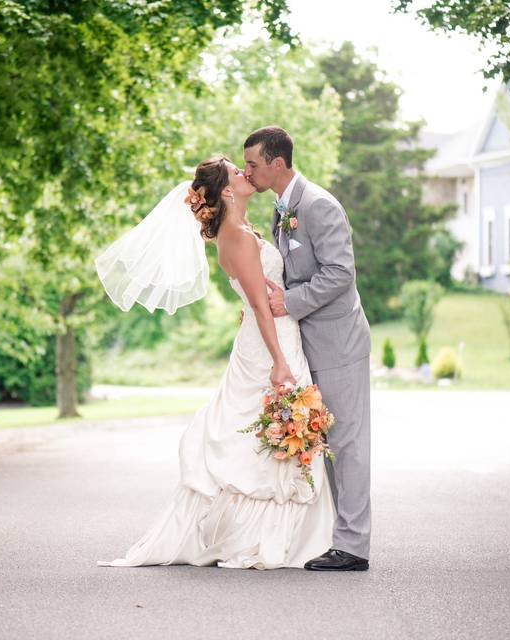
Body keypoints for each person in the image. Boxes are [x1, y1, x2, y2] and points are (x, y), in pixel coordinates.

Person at [94, 155, 334, 569]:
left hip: (273, 334)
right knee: (262, 435)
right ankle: (261, 538)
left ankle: (283, 534)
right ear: (225, 190)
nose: (245, 173)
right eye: (237, 171)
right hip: (269, 344)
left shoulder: (241, 230)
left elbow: (256, 296)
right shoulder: (235, 235)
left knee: (261, 435)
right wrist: (279, 362)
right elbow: (261, 307)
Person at [243, 126, 372, 571]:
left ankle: (353, 547)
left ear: (277, 163)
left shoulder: (319, 205)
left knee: (347, 442)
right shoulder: (284, 208)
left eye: (253, 164)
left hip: (339, 342)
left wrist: (289, 302)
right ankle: (331, 537)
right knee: (323, 441)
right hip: (305, 341)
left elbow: (341, 273)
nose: (248, 172)